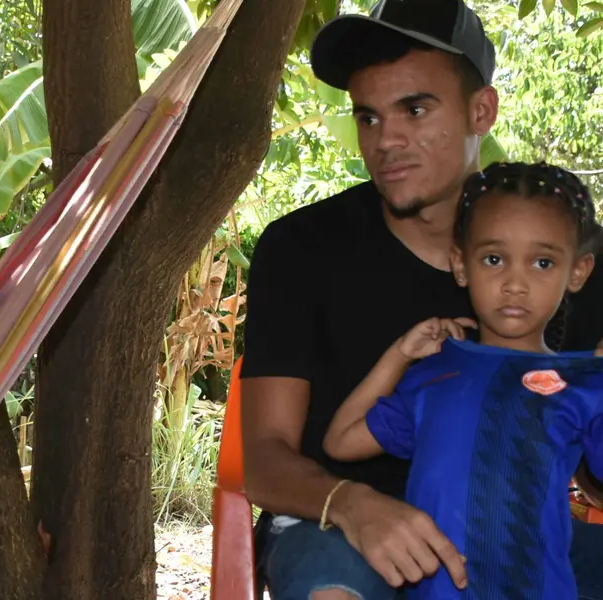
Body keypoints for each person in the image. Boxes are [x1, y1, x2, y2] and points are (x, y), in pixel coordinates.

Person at [239, 1, 603, 599]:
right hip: (334, 526)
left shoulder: (561, 257)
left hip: (514, 539)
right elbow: (264, 460)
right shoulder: (303, 249)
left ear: (480, 111)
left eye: (414, 109)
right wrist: (354, 505)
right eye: (369, 118)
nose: (387, 140)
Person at [322, 162, 603, 599]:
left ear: (579, 272)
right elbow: (340, 441)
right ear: (460, 264)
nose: (515, 283)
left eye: (542, 262)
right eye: (494, 259)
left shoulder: (583, 383)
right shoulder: (438, 372)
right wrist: (398, 356)